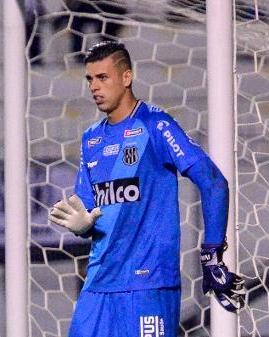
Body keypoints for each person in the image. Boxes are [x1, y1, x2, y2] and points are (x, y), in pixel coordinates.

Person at [49, 41, 245, 337]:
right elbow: (88, 211)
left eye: (103, 78)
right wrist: (81, 225)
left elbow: (214, 182)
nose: (94, 87)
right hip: (100, 283)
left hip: (148, 283)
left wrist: (212, 253)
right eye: (90, 79)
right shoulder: (91, 140)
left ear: (126, 77)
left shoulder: (156, 126)